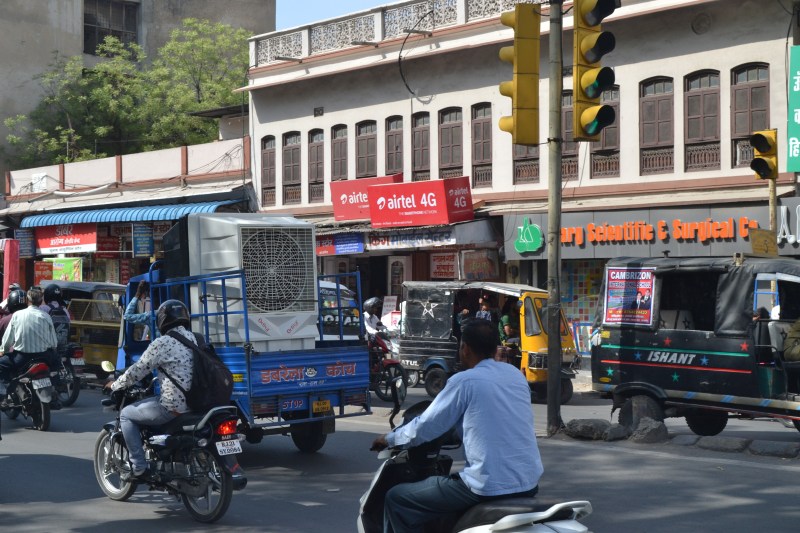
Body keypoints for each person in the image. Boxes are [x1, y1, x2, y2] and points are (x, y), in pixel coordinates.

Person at [371, 319, 543, 533]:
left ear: (465, 348)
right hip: (528, 483)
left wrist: (388, 439)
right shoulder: (515, 375)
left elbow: (425, 427)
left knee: (397, 498)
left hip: (486, 487)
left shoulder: (465, 381)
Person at [106, 300, 195, 480]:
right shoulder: (193, 338)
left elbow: (138, 370)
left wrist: (115, 385)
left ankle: (139, 466)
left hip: (172, 407)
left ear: (162, 320)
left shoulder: (162, 343)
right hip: (195, 403)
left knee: (127, 414)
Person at [0, 287, 58, 388]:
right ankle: (56, 384)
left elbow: (7, 340)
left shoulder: (17, 315)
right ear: (41, 302)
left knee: (2, 364)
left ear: (27, 300)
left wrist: (3, 350)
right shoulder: (46, 316)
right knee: (57, 365)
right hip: (44, 357)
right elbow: (54, 343)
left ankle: (6, 390)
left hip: (22, 358)